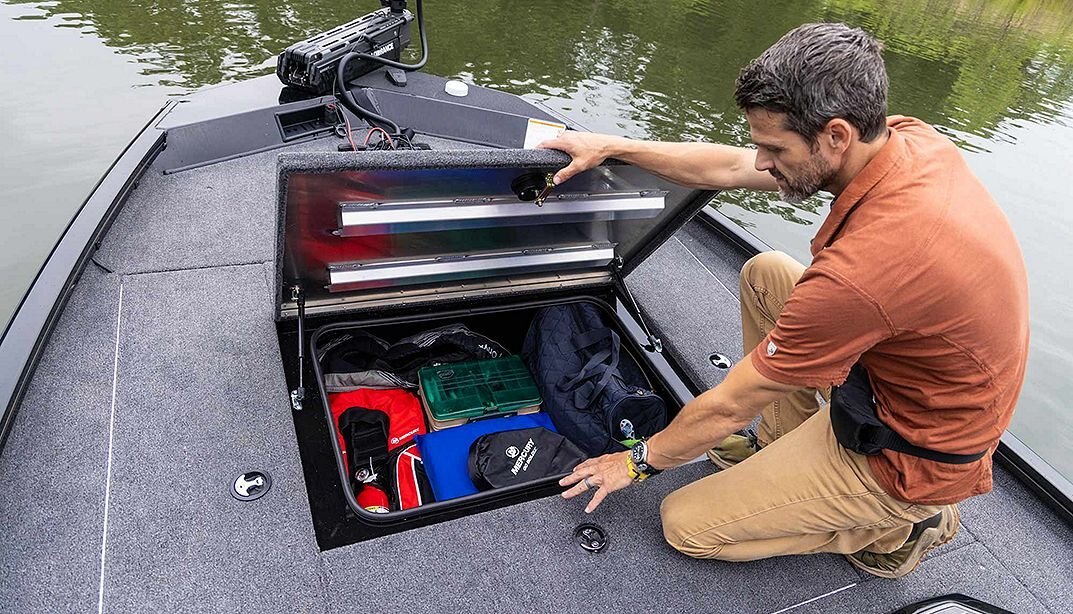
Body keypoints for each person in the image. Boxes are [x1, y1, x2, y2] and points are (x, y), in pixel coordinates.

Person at [543, 22, 1029, 579]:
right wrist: (611, 146)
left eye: (774, 148)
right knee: (767, 274)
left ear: (836, 135)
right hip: (898, 377)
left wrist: (635, 461)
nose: (761, 161)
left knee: (685, 524)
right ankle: (778, 446)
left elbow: (730, 406)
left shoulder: (863, 272)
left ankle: (903, 528)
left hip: (907, 455)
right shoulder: (905, 140)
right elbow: (729, 168)